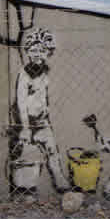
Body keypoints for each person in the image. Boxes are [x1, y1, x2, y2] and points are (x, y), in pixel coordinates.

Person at [8, 28, 70, 198]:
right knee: (26, 155)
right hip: (27, 122)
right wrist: (25, 128)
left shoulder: (45, 73)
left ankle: (60, 180)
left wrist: (46, 112)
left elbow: (44, 97)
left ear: (48, 52)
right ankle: (24, 189)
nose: (37, 54)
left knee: (52, 150)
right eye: (34, 50)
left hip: (42, 121)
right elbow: (21, 102)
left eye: (42, 50)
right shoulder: (24, 74)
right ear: (28, 51)